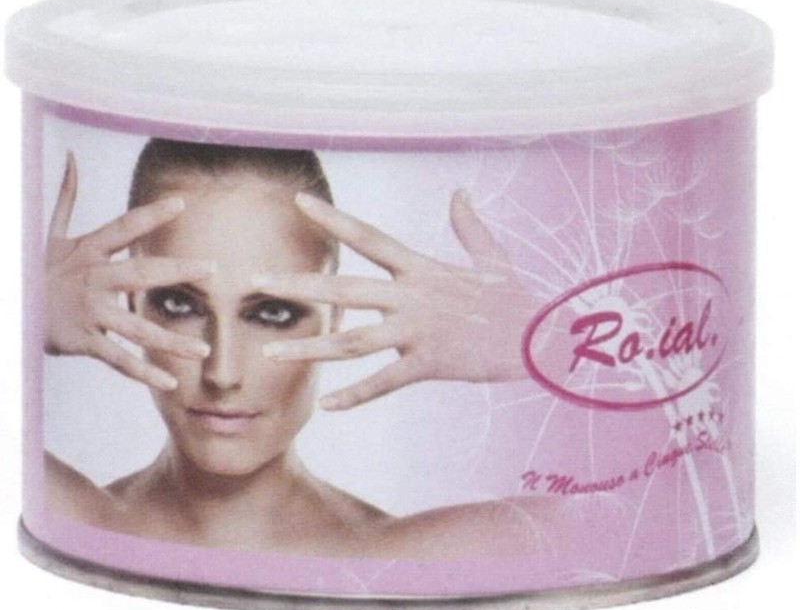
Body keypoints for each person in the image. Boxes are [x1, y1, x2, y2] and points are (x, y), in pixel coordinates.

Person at [44, 140, 562, 558]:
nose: (223, 372)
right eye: (179, 305)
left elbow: (614, 528)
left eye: (273, 314)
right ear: (129, 304)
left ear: (335, 314)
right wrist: (20, 313)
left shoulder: (400, 556)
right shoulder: (71, 516)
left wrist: (551, 347)